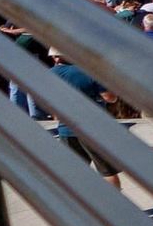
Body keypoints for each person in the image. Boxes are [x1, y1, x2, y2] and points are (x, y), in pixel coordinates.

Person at [49, 47, 122, 189]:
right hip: (93, 129)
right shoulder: (89, 71)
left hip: (66, 130)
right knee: (107, 172)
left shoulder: (49, 74)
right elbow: (110, 98)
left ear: (53, 57)